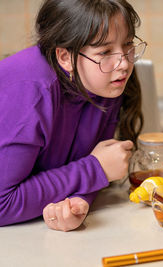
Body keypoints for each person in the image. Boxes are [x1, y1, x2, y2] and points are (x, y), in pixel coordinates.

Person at [0, 0, 146, 231]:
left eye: (127, 45)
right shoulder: (30, 93)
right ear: (65, 57)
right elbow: (2, 205)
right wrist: (95, 170)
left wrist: (79, 201)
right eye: (105, 51)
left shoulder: (103, 79)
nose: (124, 64)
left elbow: (96, 160)